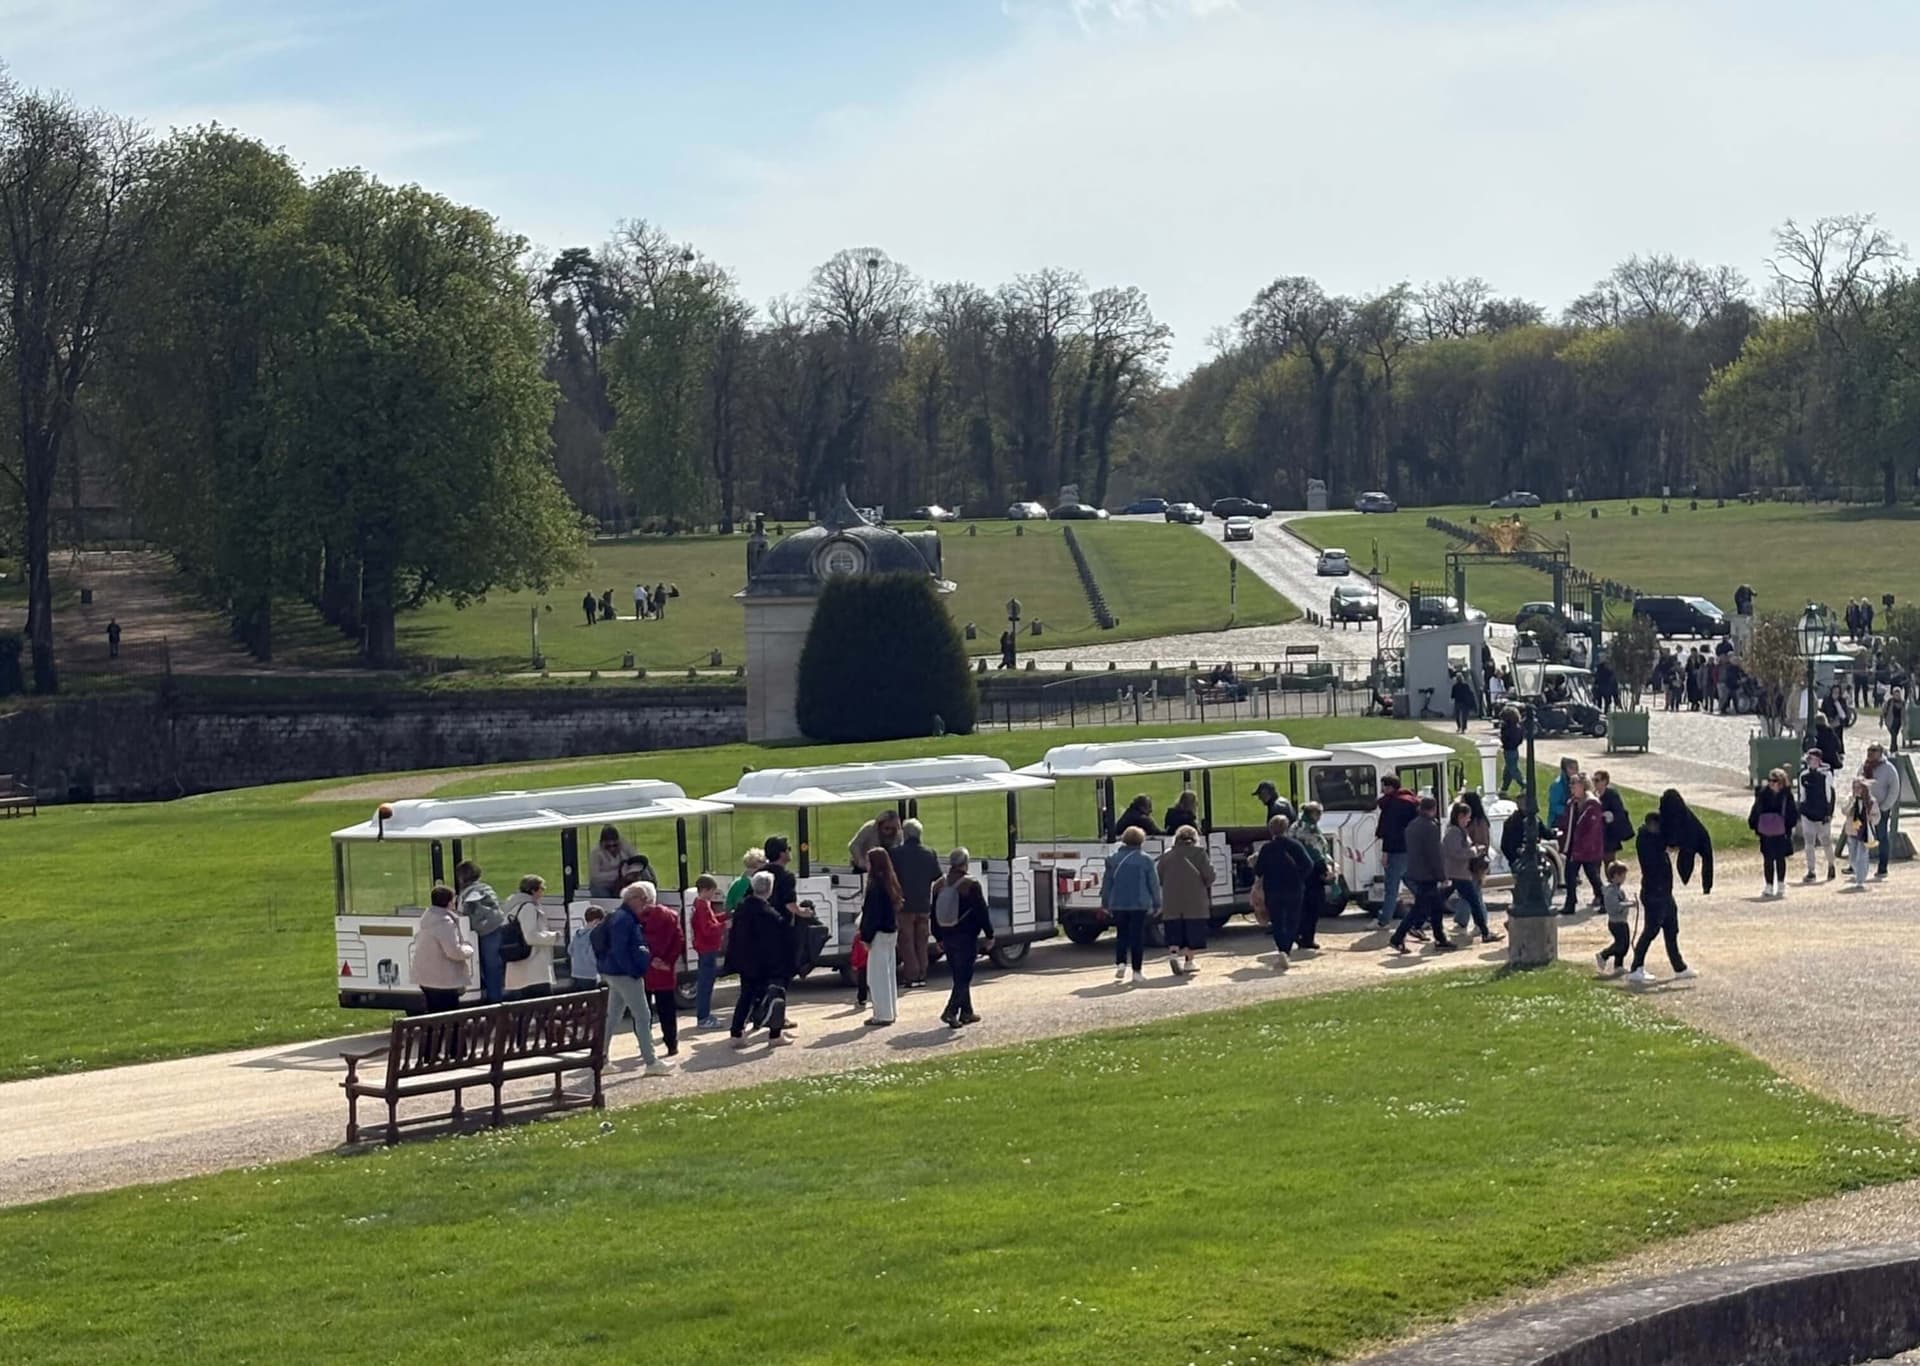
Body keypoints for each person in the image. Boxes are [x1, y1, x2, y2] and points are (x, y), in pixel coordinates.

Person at [597, 883, 671, 1075]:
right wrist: (635, 970)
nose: (646, 904)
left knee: (613, 1016)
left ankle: (601, 1059)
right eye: (643, 900)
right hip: (624, 975)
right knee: (643, 1016)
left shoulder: (617, 916)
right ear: (633, 899)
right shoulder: (625, 920)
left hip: (612, 972)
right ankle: (651, 1061)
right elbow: (620, 950)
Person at [1628, 810, 1697, 986]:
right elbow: (1664, 844)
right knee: (1651, 931)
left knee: (1672, 929)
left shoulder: (1654, 839)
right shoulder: (1646, 840)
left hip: (1665, 892)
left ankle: (1679, 967)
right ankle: (1636, 967)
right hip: (1654, 893)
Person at [726, 870, 791, 1048]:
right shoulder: (770, 915)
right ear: (769, 890)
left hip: (745, 961)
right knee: (775, 995)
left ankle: (737, 1032)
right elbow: (775, 944)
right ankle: (775, 1034)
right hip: (765, 964)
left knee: (746, 996)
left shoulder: (741, 909)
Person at [933, 848, 995, 1027]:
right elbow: (982, 912)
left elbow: (932, 913)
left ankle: (967, 1012)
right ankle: (950, 1011)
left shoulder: (939, 884)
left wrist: (938, 937)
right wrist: (989, 934)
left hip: (946, 934)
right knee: (964, 977)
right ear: (965, 863)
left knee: (958, 975)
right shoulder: (971, 884)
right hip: (966, 936)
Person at [1389, 797, 1456, 954]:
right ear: (1433, 809)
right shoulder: (1430, 827)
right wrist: (1442, 875)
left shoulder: (1412, 826)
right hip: (1428, 874)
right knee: (1420, 909)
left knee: (1434, 907)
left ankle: (1439, 937)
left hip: (1415, 871)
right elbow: (1434, 855)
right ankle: (1398, 938)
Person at [1253, 814, 1318, 966]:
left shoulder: (1267, 848)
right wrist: (1299, 877)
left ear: (1271, 830)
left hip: (1273, 889)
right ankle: (1286, 949)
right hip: (1294, 888)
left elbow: (1259, 870)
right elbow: (1309, 864)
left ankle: (1282, 948)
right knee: (1292, 920)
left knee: (1277, 921)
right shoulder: (1295, 845)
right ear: (1287, 828)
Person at [1101, 825, 1162, 983]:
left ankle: (1120, 963)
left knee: (1122, 934)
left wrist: (1105, 903)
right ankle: (1137, 971)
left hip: (1118, 902)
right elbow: (1153, 884)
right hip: (1139, 903)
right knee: (1137, 936)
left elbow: (1107, 883)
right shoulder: (1146, 860)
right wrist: (1157, 903)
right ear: (1141, 841)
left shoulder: (1113, 860)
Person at [1156, 825, 1216, 976]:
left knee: (1174, 929)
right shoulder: (1200, 853)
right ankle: (1189, 961)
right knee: (1193, 931)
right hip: (1194, 899)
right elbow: (1209, 875)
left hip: (1171, 900)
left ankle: (1174, 953)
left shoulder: (1167, 855)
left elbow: (1160, 876)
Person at [890, 819, 942, 989]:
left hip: (905, 906)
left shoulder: (896, 853)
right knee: (921, 941)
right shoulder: (929, 853)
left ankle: (911, 975)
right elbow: (937, 877)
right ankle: (922, 974)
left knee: (906, 942)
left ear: (905, 834)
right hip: (923, 904)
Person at [858, 846, 903, 1026]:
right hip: (890, 932)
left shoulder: (875, 886)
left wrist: (866, 937)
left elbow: (871, 915)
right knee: (888, 974)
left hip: (878, 934)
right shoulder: (890, 882)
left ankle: (883, 1014)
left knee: (876, 977)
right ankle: (890, 1010)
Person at [1441, 800, 1498, 944]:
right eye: (1467, 817)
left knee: (1439, 901)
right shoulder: (1454, 831)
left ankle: (1421, 924)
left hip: (1457, 873)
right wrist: (1474, 851)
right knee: (1474, 902)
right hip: (1458, 873)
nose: (1469, 820)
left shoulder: (1456, 830)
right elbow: (1456, 852)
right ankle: (1485, 932)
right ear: (1460, 816)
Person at [411, 884, 473, 1013]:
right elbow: (453, 951)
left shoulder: (427, 919)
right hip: (443, 980)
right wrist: (468, 949)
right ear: (450, 902)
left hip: (426, 978)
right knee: (449, 1018)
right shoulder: (444, 923)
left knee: (434, 1015)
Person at [455, 860, 508, 1004]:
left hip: (479, 931)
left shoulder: (468, 893)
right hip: (494, 927)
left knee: (488, 965)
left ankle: (494, 999)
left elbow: (465, 911)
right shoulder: (486, 888)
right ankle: (494, 997)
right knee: (492, 964)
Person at [502, 874, 562, 998]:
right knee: (543, 1008)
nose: (543, 893)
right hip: (533, 968)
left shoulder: (512, 906)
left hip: (519, 967)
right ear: (533, 890)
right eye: (542, 889)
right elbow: (530, 936)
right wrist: (553, 937)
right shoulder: (528, 907)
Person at [1372, 775, 1420, 929]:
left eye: (1384, 786)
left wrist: (1385, 852)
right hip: (1410, 849)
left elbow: (1389, 831)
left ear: (1389, 787)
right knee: (1411, 882)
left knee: (1391, 887)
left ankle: (1383, 920)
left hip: (1396, 850)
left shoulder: (1392, 804)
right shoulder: (1410, 801)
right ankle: (1428, 910)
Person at [1556, 775, 1606, 915]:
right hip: (1574, 845)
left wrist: (1582, 848)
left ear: (1583, 785)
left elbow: (1591, 829)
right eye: (1570, 784)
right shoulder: (1572, 803)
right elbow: (1567, 823)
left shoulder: (1592, 804)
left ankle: (1605, 900)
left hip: (1588, 847)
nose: (1571, 786)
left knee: (1593, 876)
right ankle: (1570, 903)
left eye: (1574, 784)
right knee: (1570, 875)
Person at [1748, 767, 1799, 898]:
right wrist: (1754, 825)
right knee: (1768, 859)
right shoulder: (1763, 794)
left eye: (1774, 780)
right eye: (1770, 780)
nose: (1771, 783)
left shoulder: (1787, 796)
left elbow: (1792, 813)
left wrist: (1788, 827)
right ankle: (1769, 885)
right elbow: (1756, 810)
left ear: (1781, 782)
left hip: (1781, 832)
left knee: (1780, 858)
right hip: (1766, 831)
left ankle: (1781, 884)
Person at [1659, 789, 1716, 895]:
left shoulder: (1672, 812)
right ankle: (1706, 887)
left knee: (1691, 859)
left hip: (1695, 838)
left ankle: (1706, 886)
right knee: (1701, 858)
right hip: (1693, 838)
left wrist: (1671, 843)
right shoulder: (1680, 813)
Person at [1861, 743, 1903, 880]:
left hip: (1880, 808)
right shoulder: (1865, 767)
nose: (1870, 753)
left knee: (1882, 836)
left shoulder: (1888, 769)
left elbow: (1894, 789)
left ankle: (1883, 867)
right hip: (1864, 807)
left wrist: (1885, 806)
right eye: (1869, 750)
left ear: (1880, 752)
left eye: (1873, 750)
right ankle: (1858, 865)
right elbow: (1858, 781)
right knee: (1860, 837)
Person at [1293, 800, 1336, 934]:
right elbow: (1316, 852)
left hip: (1298, 870)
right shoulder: (1310, 829)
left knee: (1303, 905)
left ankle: (1301, 934)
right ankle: (1306, 936)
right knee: (1314, 904)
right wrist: (1326, 869)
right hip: (1313, 870)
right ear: (1313, 814)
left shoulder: (1296, 826)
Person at [1797, 751, 1837, 884]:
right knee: (1809, 843)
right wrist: (1801, 810)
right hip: (1808, 813)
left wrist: (1829, 813)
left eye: (1814, 759)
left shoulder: (1826, 775)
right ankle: (1811, 870)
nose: (1812, 762)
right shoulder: (1803, 775)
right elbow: (1802, 795)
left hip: (1822, 814)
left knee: (1826, 841)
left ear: (1819, 760)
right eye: (1810, 759)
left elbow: (1830, 796)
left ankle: (1831, 865)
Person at [1842, 777, 1882, 890]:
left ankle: (1860, 879)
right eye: (1854, 787)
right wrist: (1851, 801)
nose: (1856, 790)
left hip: (1865, 832)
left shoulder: (1871, 801)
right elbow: (1844, 811)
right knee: (1852, 857)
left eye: (1858, 787)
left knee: (1862, 856)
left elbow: (1877, 817)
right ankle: (1858, 872)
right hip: (1852, 830)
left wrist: (1871, 819)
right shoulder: (1850, 798)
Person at [1595, 861, 1633, 976]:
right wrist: (1629, 904)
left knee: (1624, 944)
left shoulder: (1618, 890)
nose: (1624, 878)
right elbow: (1615, 906)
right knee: (1620, 944)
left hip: (1622, 921)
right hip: (1616, 923)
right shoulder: (1611, 891)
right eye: (1622, 875)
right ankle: (1603, 955)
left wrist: (1628, 902)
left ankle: (1618, 965)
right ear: (1615, 876)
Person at [1592, 770, 1633, 863]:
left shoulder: (1612, 795)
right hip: (1597, 835)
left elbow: (1619, 812)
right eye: (1593, 780)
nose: (1595, 783)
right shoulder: (1593, 795)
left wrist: (1609, 816)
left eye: (1597, 780)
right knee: (1595, 865)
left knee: (1609, 863)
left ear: (1604, 781)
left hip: (1610, 835)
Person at [587, 825, 637, 898]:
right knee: (604, 897)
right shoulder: (595, 852)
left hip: (622, 883)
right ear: (602, 843)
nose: (612, 848)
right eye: (608, 846)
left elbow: (637, 860)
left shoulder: (625, 846)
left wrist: (631, 873)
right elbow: (595, 877)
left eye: (615, 845)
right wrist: (619, 873)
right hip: (601, 885)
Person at [568, 906, 604, 989]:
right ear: (596, 921)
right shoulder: (594, 934)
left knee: (577, 999)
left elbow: (570, 950)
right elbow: (592, 954)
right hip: (589, 973)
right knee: (591, 1000)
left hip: (575, 972)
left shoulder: (578, 933)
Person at [1498, 707, 1526, 796]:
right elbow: (1520, 739)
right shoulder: (1518, 727)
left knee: (1513, 770)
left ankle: (1524, 785)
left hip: (1508, 750)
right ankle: (1504, 788)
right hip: (1514, 750)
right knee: (1507, 771)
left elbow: (1504, 738)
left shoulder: (1506, 727)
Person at [1547, 757, 1577, 830]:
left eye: (1576, 768)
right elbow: (1554, 807)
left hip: (1570, 820)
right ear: (1564, 769)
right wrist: (1570, 810)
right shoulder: (1557, 785)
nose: (1575, 771)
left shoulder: (1576, 782)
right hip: (1557, 822)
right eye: (1571, 768)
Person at [1881, 685, 1907, 753]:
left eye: (1898, 694)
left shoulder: (1902, 702)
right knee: (1893, 735)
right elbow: (1883, 711)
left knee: (1895, 735)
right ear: (1893, 694)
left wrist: (1904, 723)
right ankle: (1893, 749)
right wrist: (1881, 721)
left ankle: (1894, 749)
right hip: (1890, 721)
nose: (1897, 695)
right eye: (1895, 694)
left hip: (1898, 722)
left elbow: (1904, 714)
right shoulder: (1889, 702)